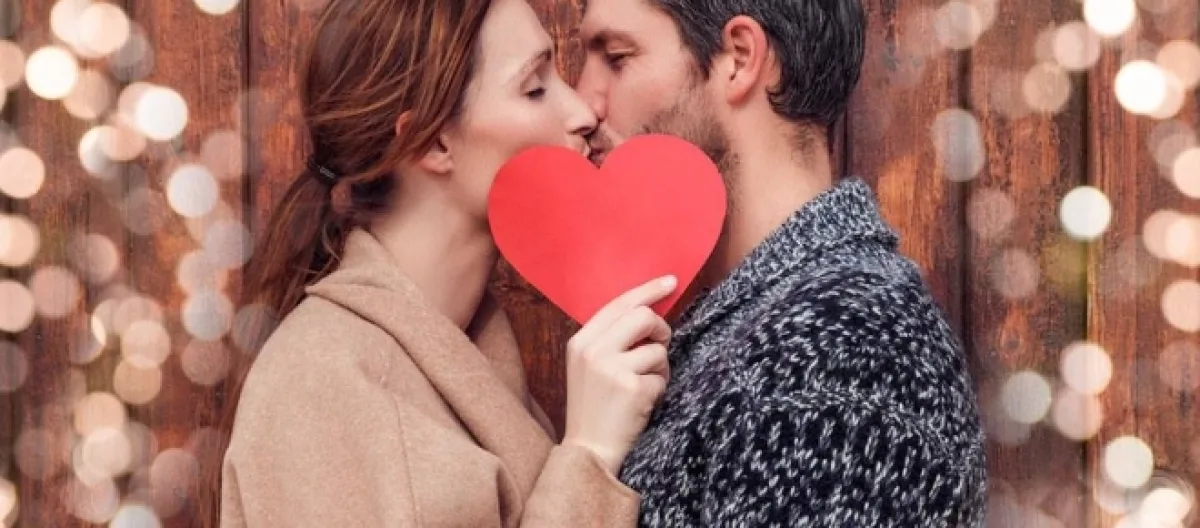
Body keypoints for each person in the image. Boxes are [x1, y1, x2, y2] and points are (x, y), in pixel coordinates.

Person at [209, 0, 677, 525]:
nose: (583, 114)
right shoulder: (320, 388)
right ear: (432, 142)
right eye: (534, 88)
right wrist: (590, 455)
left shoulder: (468, 351)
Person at [575, 0, 989, 525]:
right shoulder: (783, 326)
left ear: (740, 58)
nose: (583, 103)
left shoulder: (840, 355)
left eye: (617, 57)